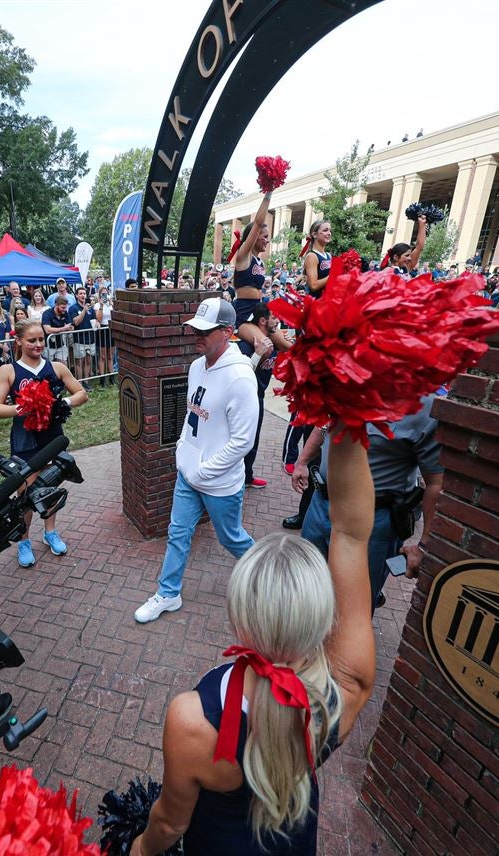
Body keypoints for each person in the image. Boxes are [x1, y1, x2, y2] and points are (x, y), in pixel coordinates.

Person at [130, 435, 377, 855]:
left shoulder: (192, 721)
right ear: (323, 617)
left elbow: (170, 823)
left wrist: (137, 850)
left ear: (239, 614)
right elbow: (352, 535)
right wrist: (347, 418)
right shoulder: (342, 692)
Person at [134, 298, 258, 623]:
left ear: (228, 332)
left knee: (232, 538)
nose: (196, 336)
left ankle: (268, 573)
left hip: (218, 482)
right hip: (188, 473)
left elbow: (243, 441)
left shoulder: (241, 378)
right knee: (177, 532)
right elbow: (194, 416)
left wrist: (204, 468)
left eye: (205, 331)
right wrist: (183, 450)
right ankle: (168, 593)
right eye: (195, 329)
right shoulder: (196, 366)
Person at [294, 395, 444, 609]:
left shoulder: (424, 405)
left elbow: (436, 484)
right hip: (321, 505)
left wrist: (425, 546)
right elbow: (324, 424)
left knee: (351, 605)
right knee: (306, 582)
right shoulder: (346, 381)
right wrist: (302, 461)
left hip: (373, 522)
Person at [0, 319, 88, 568]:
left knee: (50, 485)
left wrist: (62, 404)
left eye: (41, 339)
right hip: (24, 438)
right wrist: (24, 408)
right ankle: (24, 540)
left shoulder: (56, 367)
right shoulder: (8, 371)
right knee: (26, 492)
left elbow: (81, 393)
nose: (38, 344)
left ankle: (50, 532)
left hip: (52, 436)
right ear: (19, 341)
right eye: (32, 340)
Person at [230, 190, 290, 354]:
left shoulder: (260, 261)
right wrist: (269, 193)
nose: (267, 240)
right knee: (266, 347)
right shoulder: (243, 256)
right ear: (253, 237)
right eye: (264, 236)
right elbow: (257, 223)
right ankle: (248, 378)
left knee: (287, 346)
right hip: (243, 313)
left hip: (259, 310)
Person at [236, 303, 277, 490]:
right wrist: (258, 354)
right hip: (244, 400)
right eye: (274, 317)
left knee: (254, 440)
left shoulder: (271, 341)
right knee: (241, 441)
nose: (277, 320)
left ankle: (247, 476)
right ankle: (235, 480)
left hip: (259, 398)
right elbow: (243, 375)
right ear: (262, 320)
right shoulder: (246, 345)